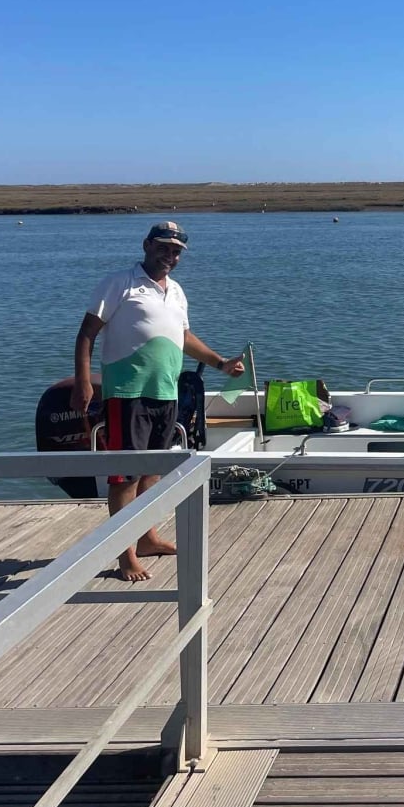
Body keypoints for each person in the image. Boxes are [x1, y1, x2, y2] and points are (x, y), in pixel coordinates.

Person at [72, 220, 244, 581]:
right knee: (124, 477)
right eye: (164, 247)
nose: (170, 255)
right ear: (146, 245)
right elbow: (86, 334)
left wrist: (221, 364)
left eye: (177, 251)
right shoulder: (120, 283)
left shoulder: (177, 292)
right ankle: (125, 554)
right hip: (127, 394)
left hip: (165, 392)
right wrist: (83, 383)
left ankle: (147, 537)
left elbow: (183, 337)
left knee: (151, 473)